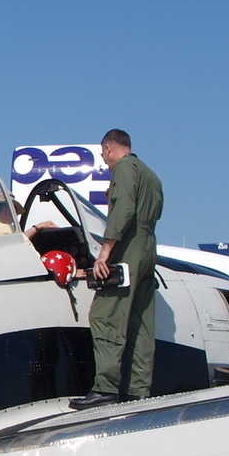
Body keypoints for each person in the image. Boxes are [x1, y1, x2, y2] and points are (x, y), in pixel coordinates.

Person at [65, 130, 163, 408]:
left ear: (109, 148)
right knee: (141, 322)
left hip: (128, 245)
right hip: (149, 247)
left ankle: (105, 388)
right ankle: (138, 390)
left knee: (105, 314)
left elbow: (124, 210)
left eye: (102, 154)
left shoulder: (123, 169)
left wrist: (105, 253)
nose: (104, 160)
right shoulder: (150, 174)